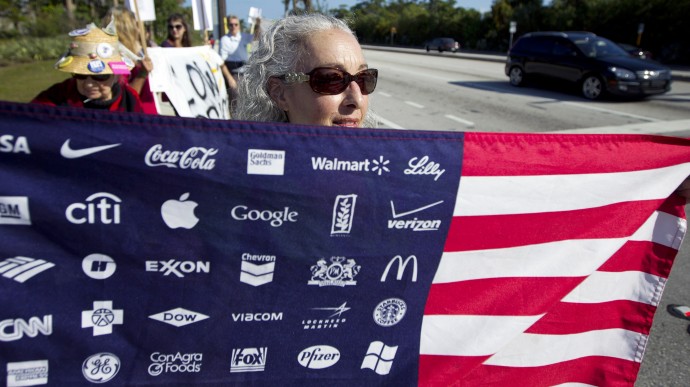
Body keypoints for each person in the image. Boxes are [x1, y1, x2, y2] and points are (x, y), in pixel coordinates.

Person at [233, 14, 378, 128]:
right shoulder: (245, 165)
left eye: (363, 78)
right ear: (279, 93)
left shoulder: (386, 163)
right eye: (332, 79)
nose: (357, 100)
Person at [32, 21, 145, 113]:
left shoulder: (129, 99)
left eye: (100, 76)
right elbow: (29, 119)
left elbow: (142, 132)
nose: (89, 84)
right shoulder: (59, 95)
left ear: (116, 75)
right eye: (80, 75)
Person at [102, 6, 157, 114]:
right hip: (136, 120)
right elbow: (124, 97)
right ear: (125, 29)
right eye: (135, 25)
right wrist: (142, 74)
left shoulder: (135, 53)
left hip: (148, 117)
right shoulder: (114, 57)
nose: (138, 30)